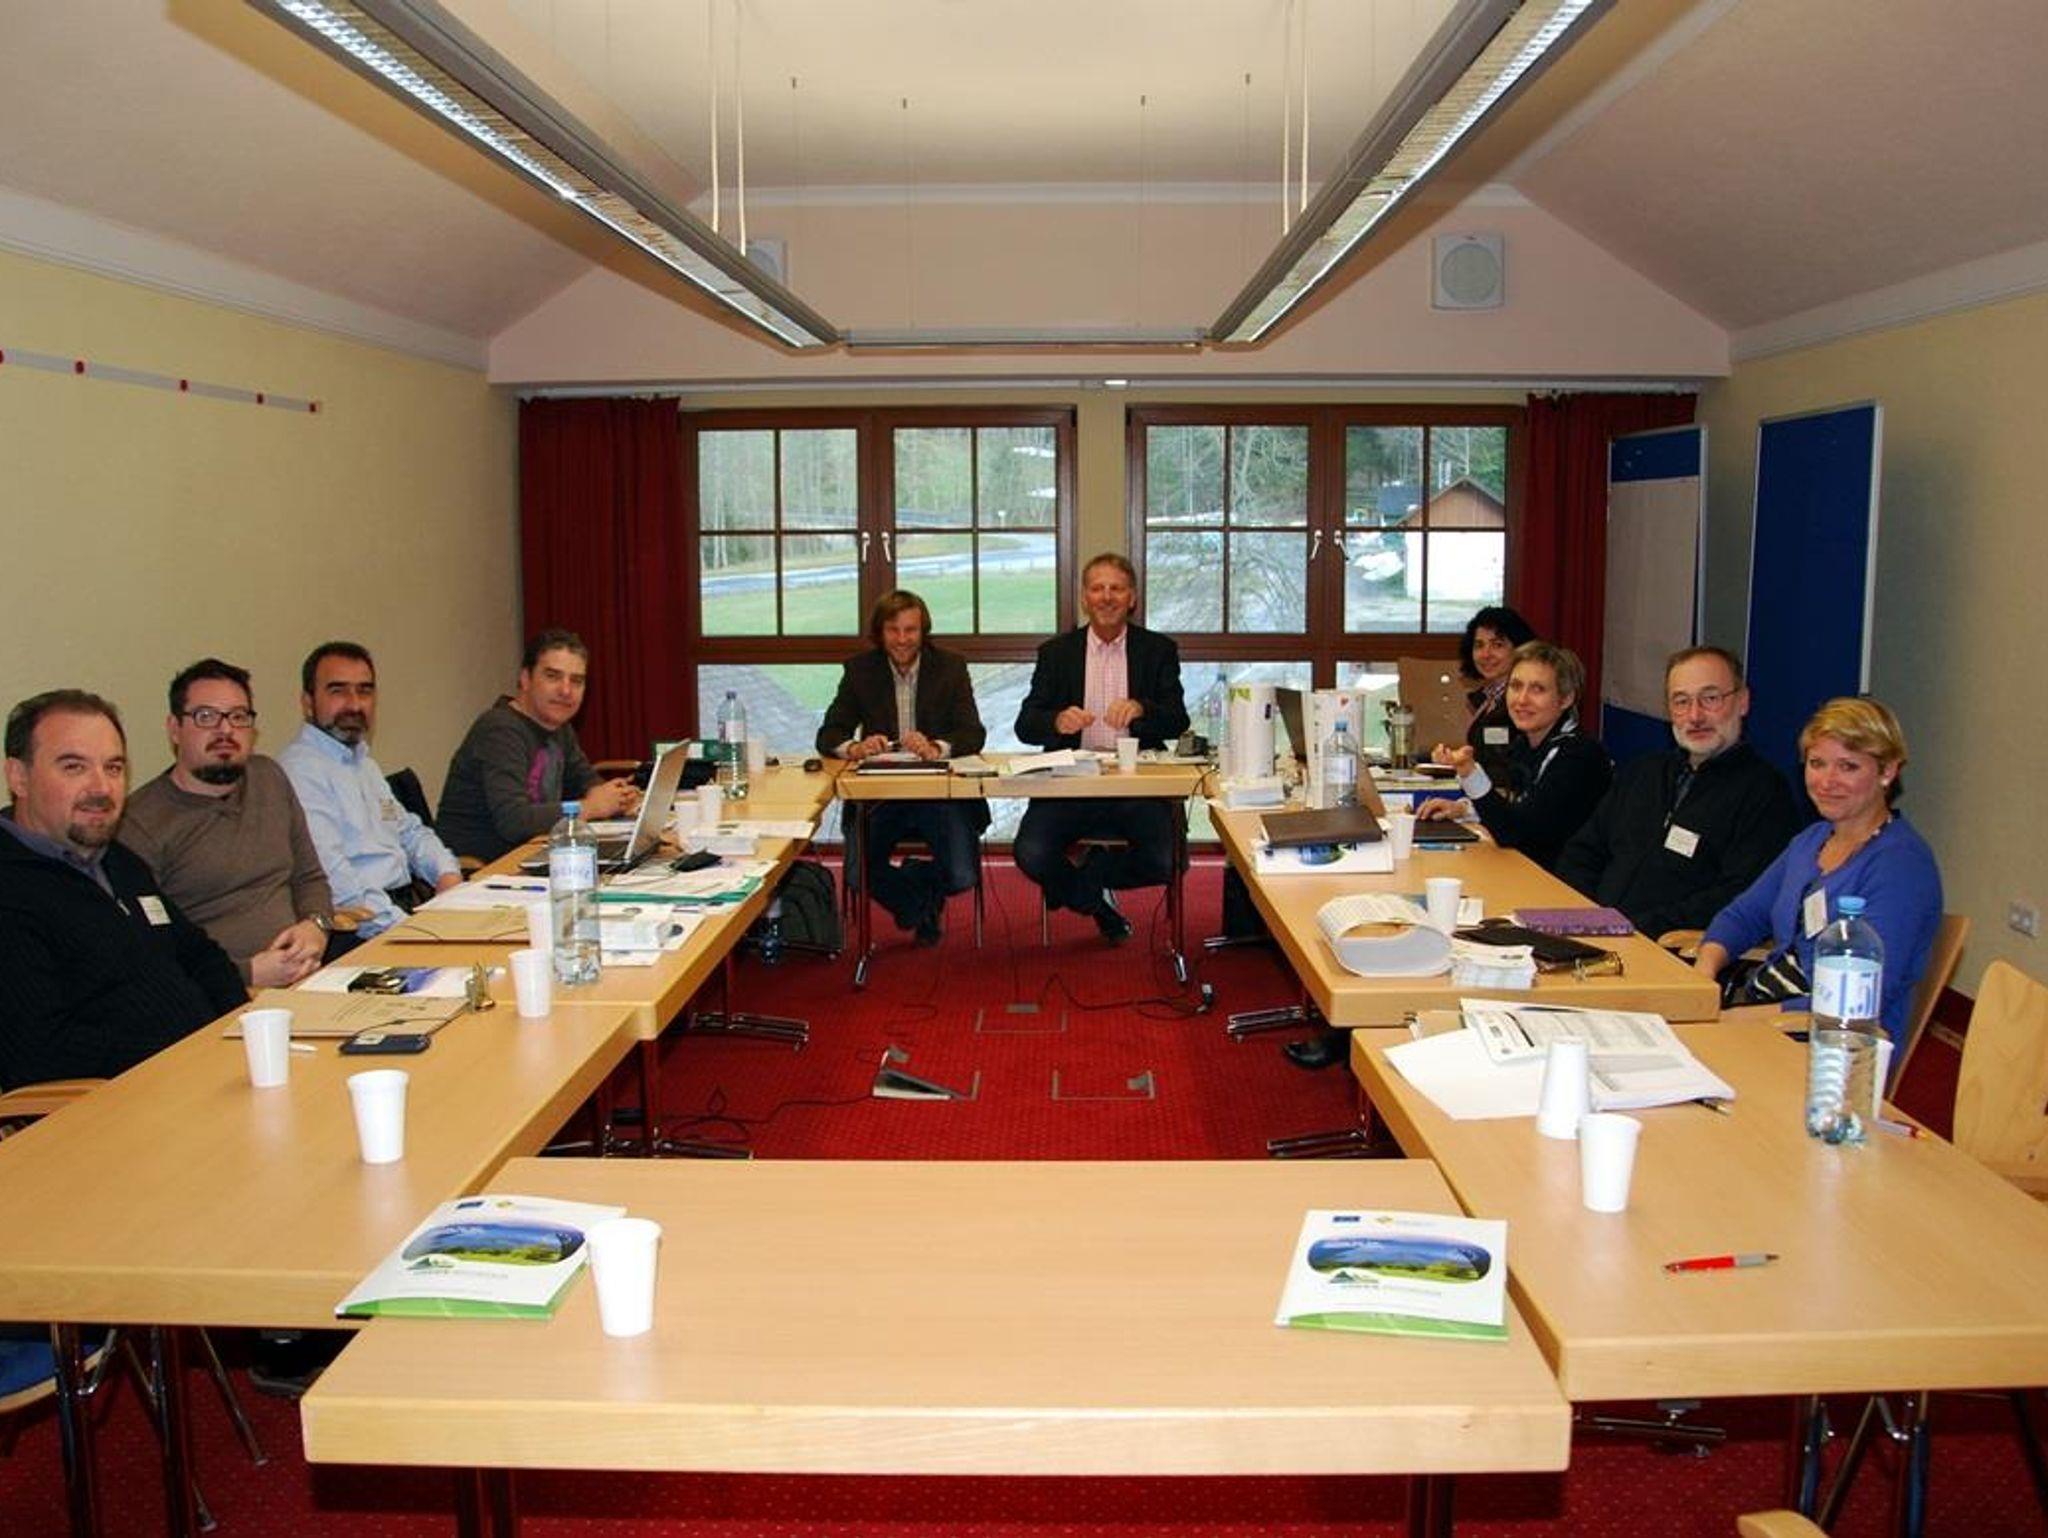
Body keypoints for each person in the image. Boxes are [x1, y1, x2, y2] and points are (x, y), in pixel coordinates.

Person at [0, 690, 244, 1088]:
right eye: (74, 767)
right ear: (18, 777)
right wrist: (183, 1053)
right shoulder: (11, 891)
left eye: (113, 768)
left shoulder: (118, 861)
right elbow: (41, 1053)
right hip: (115, 1103)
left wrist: (239, 1032)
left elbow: (203, 958)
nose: (102, 788)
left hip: (204, 1070)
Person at [1696, 697, 1941, 1046]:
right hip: (1765, 1017)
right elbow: (1743, 915)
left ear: (1887, 772)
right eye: (1817, 763)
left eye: (1848, 767)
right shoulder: (1811, 841)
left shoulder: (1901, 866)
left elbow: (1859, 1002)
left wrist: (1731, 1019)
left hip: (1834, 1046)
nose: (1827, 781)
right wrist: (1704, 976)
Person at [1553, 646, 1804, 937]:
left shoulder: (1765, 792)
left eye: (1710, 698)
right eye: (1681, 701)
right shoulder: (1644, 772)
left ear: (1742, 702)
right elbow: (1582, 852)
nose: (1695, 716)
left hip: (1669, 948)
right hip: (1595, 933)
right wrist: (1588, 916)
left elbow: (1739, 896)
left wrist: (1633, 928)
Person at [120, 658, 334, 986]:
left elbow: (310, 878)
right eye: (206, 716)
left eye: (238, 716)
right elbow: (150, 952)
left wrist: (315, 927)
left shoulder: (269, 778)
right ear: (174, 729)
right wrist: (247, 974)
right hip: (222, 994)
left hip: (310, 975)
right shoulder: (140, 823)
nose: (225, 730)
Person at [1012, 553, 1189, 941]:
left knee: (1166, 860)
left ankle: (1091, 873)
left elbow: (1178, 720)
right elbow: (1025, 725)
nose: (1106, 597)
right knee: (1031, 853)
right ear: (1084, 598)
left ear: (1132, 598)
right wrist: (1056, 720)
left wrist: (1142, 709)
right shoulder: (1056, 653)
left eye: (1116, 588)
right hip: (1069, 784)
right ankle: (1099, 906)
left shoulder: (1158, 650)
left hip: (1136, 787)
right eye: (1097, 588)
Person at [819, 591, 990, 945]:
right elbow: (828, 734)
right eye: (893, 630)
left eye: (910, 630)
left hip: (940, 796)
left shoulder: (951, 667)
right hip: (880, 797)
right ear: (879, 633)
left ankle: (915, 884)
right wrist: (855, 747)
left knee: (962, 874)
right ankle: (920, 904)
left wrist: (936, 748)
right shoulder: (860, 671)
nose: (902, 639)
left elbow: (973, 733)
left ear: (923, 631)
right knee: (856, 873)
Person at [278, 641, 465, 940]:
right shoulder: (300, 772)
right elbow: (336, 883)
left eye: (364, 691)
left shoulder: (363, 763)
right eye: (338, 691)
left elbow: (410, 833)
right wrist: (412, 931)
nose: (354, 704)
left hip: (404, 908)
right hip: (361, 929)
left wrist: (447, 874)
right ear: (308, 702)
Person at [437, 629, 641, 864]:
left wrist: (617, 797)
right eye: (553, 676)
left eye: (576, 681)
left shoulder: (559, 727)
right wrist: (592, 807)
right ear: (525, 679)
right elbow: (514, 821)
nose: (566, 691)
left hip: (535, 856)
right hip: (484, 869)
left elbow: (587, 782)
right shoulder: (500, 729)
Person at [1416, 640, 1611, 871]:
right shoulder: (1524, 744)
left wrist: (1470, 773)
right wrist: (1464, 810)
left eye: (1538, 689)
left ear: (1566, 699)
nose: (1522, 700)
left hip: (1562, 883)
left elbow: (1515, 832)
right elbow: (1517, 809)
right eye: (1516, 686)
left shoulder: (1580, 755)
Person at [1443, 605, 1537, 785]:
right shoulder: (1487, 698)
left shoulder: (1525, 703)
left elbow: (1511, 768)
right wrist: (1455, 761)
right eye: (1479, 645)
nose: (1486, 654)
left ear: (1520, 649)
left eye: (1497, 645)